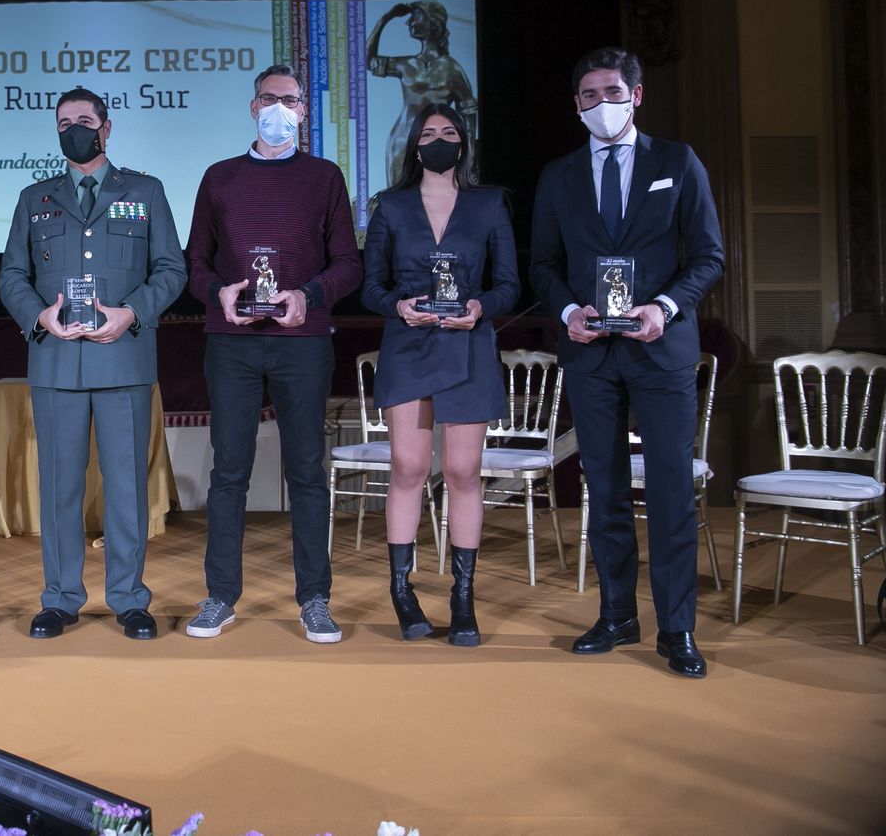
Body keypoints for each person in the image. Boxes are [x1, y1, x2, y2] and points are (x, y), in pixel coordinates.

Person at [530, 47, 723, 678]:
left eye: (610, 92)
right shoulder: (558, 175)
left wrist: (665, 306)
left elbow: (709, 257)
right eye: (587, 96)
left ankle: (678, 629)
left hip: (659, 350)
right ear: (577, 105)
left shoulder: (677, 162)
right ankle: (616, 615)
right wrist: (567, 314)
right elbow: (543, 267)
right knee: (604, 489)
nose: (599, 104)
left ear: (635, 96)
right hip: (591, 354)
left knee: (669, 490)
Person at [183, 65, 364, 645]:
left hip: (302, 341)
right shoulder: (219, 177)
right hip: (232, 342)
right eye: (268, 98)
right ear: (252, 106)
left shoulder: (324, 176)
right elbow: (195, 265)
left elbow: (348, 264)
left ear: (304, 112)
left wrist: (306, 295)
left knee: (307, 472)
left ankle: (314, 599)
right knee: (228, 472)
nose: (278, 108)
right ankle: (219, 597)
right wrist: (221, 292)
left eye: (289, 100)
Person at [0, 87, 187, 640]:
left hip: (123, 359)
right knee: (59, 487)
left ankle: (129, 599)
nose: (73, 129)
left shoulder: (145, 191)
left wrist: (132, 312)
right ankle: (60, 598)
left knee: (127, 487)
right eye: (64, 122)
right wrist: (40, 317)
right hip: (56, 361)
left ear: (107, 127)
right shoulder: (35, 197)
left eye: (84, 120)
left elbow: (171, 269)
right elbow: (12, 275)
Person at [360, 103, 518, 646]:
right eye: (429, 133)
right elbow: (371, 287)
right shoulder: (390, 206)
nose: (439, 140)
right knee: (406, 467)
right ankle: (402, 593)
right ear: (413, 144)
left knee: (463, 472)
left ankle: (463, 597)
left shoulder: (490, 203)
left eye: (449, 132)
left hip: (469, 345)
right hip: (408, 344)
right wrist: (399, 307)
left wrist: (480, 307)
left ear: (463, 143)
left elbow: (511, 286)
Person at [366, 0, 479, 185]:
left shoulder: (452, 70)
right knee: (397, 202)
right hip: (403, 138)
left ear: (433, 22)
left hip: (438, 144)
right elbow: (369, 61)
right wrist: (385, 19)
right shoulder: (406, 64)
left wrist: (470, 155)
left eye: (415, 16)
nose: (409, 22)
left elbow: (469, 112)